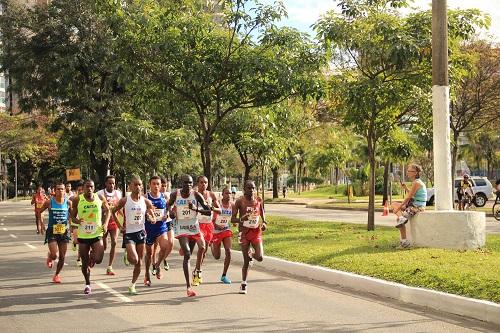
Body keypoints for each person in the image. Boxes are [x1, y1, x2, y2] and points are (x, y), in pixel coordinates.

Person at [168, 175, 211, 297]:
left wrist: (196, 209)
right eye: (186, 183)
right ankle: (188, 287)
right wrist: (171, 211)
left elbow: (208, 211)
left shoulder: (196, 195)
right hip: (181, 226)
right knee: (187, 254)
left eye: (190, 183)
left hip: (193, 226)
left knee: (200, 248)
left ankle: (196, 269)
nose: (188, 185)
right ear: (181, 183)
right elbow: (169, 205)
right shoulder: (175, 194)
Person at [112, 175, 156, 295]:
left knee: (139, 262)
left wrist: (152, 218)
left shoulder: (145, 201)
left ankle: (132, 285)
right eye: (135, 184)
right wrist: (120, 226)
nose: (138, 187)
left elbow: (151, 213)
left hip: (141, 233)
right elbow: (113, 211)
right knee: (135, 259)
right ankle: (128, 253)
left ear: (142, 186)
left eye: (139, 185)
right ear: (130, 186)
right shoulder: (125, 200)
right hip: (129, 234)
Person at [70, 179, 110, 295]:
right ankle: (87, 284)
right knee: (84, 262)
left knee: (99, 259)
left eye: (91, 187)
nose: (89, 189)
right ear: (83, 188)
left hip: (97, 233)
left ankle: (93, 257)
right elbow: (72, 216)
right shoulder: (78, 199)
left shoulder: (100, 198)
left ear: (94, 187)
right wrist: (77, 221)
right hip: (83, 235)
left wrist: (105, 224)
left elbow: (108, 211)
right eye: (87, 187)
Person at [231, 180, 267, 294]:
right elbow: (232, 219)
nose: (251, 190)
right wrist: (242, 219)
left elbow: (262, 211)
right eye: (249, 188)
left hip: (256, 231)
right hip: (244, 233)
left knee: (260, 257)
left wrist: (264, 222)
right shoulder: (239, 202)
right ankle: (243, 283)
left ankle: (251, 254)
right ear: (244, 189)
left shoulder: (258, 200)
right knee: (246, 261)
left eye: (253, 188)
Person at [39, 181, 72, 283]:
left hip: (64, 231)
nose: (60, 191)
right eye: (58, 189)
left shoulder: (68, 202)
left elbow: (71, 215)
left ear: (65, 191)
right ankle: (50, 256)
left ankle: (57, 275)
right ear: (54, 190)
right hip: (52, 231)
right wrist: (42, 224)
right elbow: (40, 212)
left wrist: (71, 226)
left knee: (62, 256)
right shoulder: (49, 202)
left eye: (62, 189)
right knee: (55, 255)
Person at [143, 176, 174, 286]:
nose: (156, 186)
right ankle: (146, 274)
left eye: (158, 184)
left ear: (160, 185)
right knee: (149, 253)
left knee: (165, 246)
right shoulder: (145, 197)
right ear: (149, 185)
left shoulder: (164, 196)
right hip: (149, 229)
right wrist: (148, 216)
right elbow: (142, 211)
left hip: (161, 227)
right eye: (154, 184)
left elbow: (168, 210)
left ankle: (157, 265)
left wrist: (167, 215)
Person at [391, 164, 427, 249]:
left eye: (409, 171)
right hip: (413, 204)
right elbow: (412, 195)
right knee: (393, 204)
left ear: (415, 173)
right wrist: (405, 188)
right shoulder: (416, 182)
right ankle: (401, 219)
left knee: (399, 218)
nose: (407, 172)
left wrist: (398, 210)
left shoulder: (416, 183)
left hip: (418, 207)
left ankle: (404, 242)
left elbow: (408, 198)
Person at [193, 175, 220, 285]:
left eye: (205, 182)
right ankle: (197, 272)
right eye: (201, 182)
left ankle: (197, 269)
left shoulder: (211, 194)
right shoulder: (193, 195)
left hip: (208, 225)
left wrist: (211, 207)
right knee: (202, 247)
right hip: (197, 225)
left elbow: (219, 210)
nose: (203, 184)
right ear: (197, 183)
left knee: (203, 252)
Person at [97, 175, 123, 276]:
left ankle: (110, 267)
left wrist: (122, 220)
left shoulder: (118, 193)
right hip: (103, 222)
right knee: (104, 246)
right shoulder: (100, 193)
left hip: (114, 222)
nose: (112, 185)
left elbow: (120, 207)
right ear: (105, 184)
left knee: (114, 242)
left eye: (113, 183)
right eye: (110, 183)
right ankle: (94, 255)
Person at [211, 186, 233, 284]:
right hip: (216, 232)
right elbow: (211, 220)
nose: (228, 195)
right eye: (226, 193)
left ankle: (224, 275)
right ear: (222, 194)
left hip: (226, 230)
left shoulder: (232, 205)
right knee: (217, 256)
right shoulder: (218, 205)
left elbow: (233, 216)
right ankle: (211, 244)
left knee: (228, 251)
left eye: (230, 193)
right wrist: (216, 225)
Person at [70, 181, 84, 266]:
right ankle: (74, 242)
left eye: (82, 189)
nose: (81, 191)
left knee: (82, 242)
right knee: (77, 240)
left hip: (84, 223)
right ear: (76, 191)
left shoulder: (89, 199)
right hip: (75, 223)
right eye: (79, 190)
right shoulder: (73, 199)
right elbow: (71, 213)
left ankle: (79, 259)